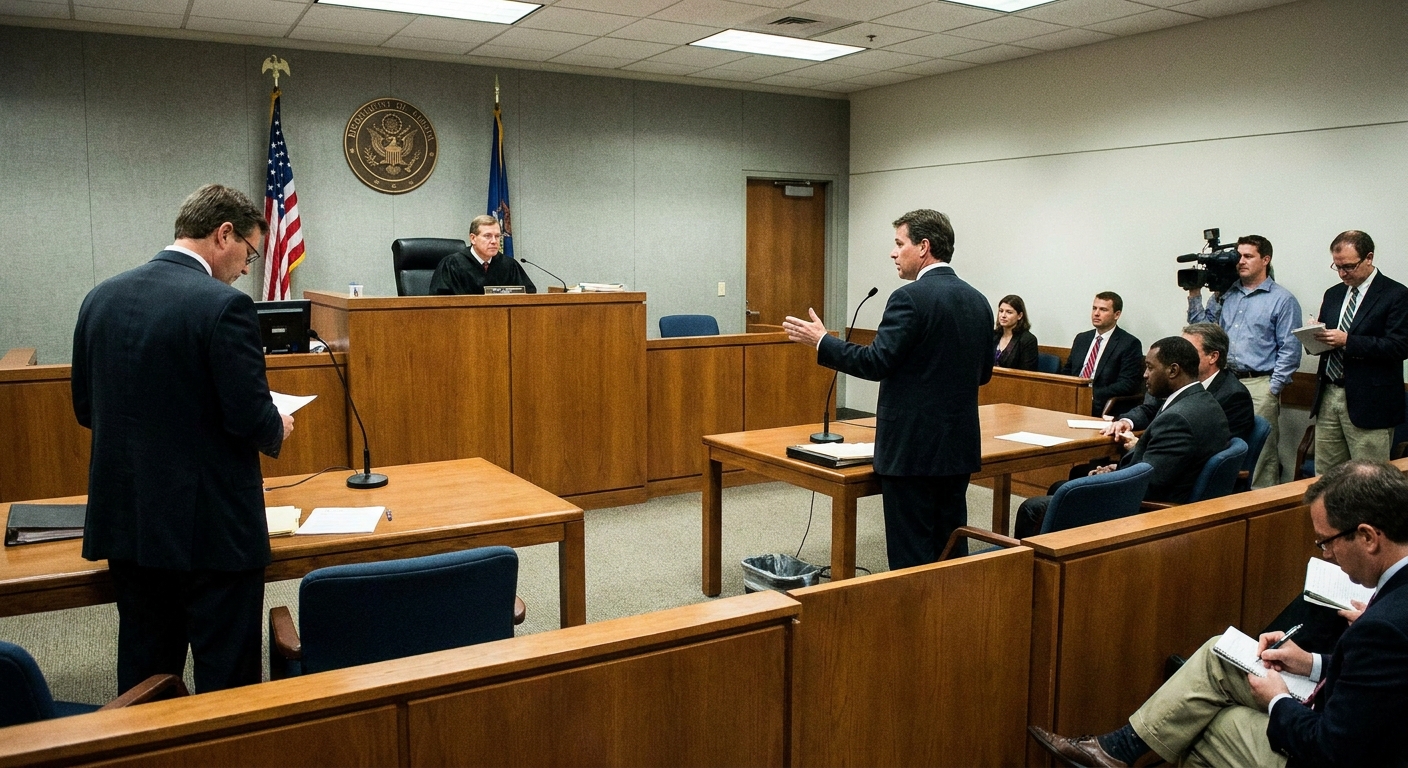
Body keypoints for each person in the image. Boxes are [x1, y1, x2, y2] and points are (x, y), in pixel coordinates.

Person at [1029, 459, 1408, 768]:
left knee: (1207, 727)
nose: (1326, 554)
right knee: (1216, 653)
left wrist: (1279, 701)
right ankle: (1118, 749)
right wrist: (1312, 663)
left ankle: (1118, 752)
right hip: (1354, 716)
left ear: (1368, 537)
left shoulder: (1383, 630)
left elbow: (1332, 749)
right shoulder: (1391, 602)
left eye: (1327, 542)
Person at [71, 184, 293, 694]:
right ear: (223, 235)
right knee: (227, 682)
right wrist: (277, 423)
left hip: (129, 523)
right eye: (249, 253)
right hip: (212, 531)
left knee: (147, 678)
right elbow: (252, 421)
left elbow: (88, 410)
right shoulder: (225, 307)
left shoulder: (99, 298)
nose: (245, 268)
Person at [782, 209, 993, 568]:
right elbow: (983, 374)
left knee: (911, 557)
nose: (893, 253)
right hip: (957, 449)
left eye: (900, 243)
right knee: (950, 550)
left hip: (912, 452)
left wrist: (822, 342)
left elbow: (875, 362)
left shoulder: (908, 298)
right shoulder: (979, 300)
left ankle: (913, 624)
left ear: (924, 247)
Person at [1016, 336, 1229, 538]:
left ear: (1173, 370)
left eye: (1150, 367)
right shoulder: (1205, 403)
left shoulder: (1178, 418)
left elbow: (1148, 484)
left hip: (1153, 510)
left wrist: (1110, 476)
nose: (1144, 374)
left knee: (1033, 508)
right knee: (1060, 488)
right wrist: (1117, 469)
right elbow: (1164, 465)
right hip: (1175, 494)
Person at [1188, 234, 1302, 488]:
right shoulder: (1226, 295)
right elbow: (1201, 333)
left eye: (1248, 256)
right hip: (1225, 382)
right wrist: (1194, 293)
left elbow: (1290, 348)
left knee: (1261, 452)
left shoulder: (1282, 299)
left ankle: (1260, 506)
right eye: (1238, 256)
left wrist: (1274, 387)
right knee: (1223, 445)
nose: (1240, 261)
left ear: (1265, 260)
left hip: (1260, 384)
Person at [1309, 230, 1408, 473]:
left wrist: (1348, 341)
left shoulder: (1395, 294)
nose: (1343, 273)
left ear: (1369, 258)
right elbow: (1327, 343)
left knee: (1367, 479)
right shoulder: (1333, 294)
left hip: (1370, 401)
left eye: (1349, 267)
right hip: (1329, 394)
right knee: (1326, 475)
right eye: (1337, 266)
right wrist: (1313, 336)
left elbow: (1399, 346)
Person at [1105, 323, 1255, 446]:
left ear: (1213, 357)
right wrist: (1127, 421)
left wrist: (1139, 447)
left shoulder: (1234, 396)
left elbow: (1218, 449)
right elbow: (1150, 409)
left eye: (1189, 351)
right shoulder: (1177, 380)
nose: (1180, 356)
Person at [1060, 292, 1144, 417]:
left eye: (1103, 309)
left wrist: (1090, 394)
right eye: (1094, 308)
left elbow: (1127, 384)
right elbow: (1068, 370)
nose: (1096, 313)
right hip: (1072, 398)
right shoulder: (1082, 338)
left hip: (1102, 403)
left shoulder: (1129, 343)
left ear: (1117, 314)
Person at [428, 214, 536, 295]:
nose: (494, 241)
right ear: (473, 238)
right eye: (488, 236)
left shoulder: (509, 265)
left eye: (497, 236)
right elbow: (439, 300)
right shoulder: (452, 265)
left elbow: (528, 295)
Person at [993, 294, 1039, 371]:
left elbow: (1027, 373)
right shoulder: (993, 335)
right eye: (1001, 311)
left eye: (1009, 312)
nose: (1003, 315)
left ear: (1019, 316)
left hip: (1014, 382)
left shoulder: (1028, 340)